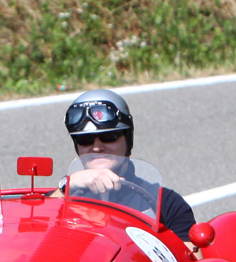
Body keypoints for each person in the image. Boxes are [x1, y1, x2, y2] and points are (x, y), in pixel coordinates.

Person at [61, 89, 197, 244]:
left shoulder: (167, 204)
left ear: (127, 139)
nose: (97, 147)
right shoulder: (62, 197)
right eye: (85, 139)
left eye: (108, 137)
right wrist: (66, 187)